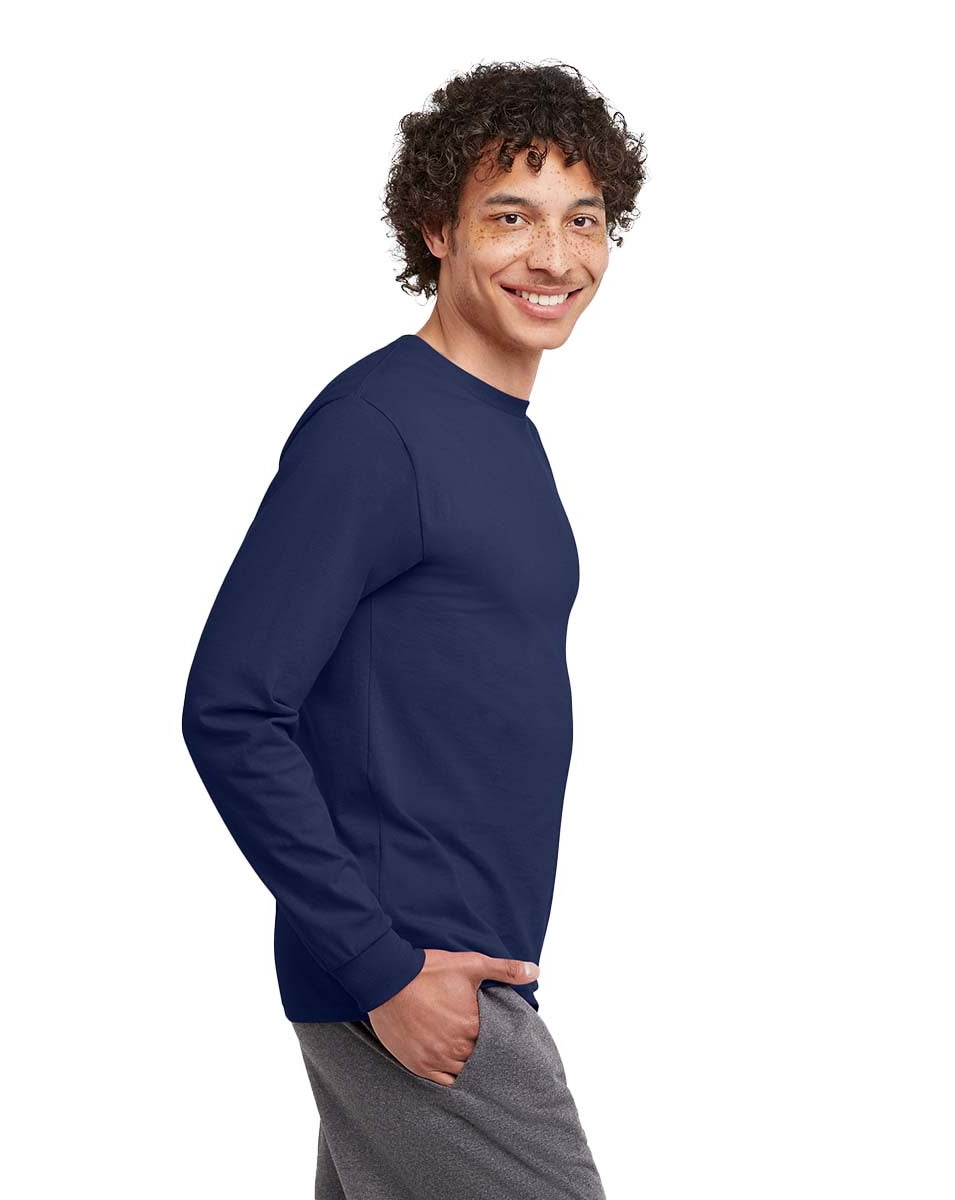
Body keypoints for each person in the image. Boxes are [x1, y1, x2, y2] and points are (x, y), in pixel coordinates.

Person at [181, 60, 647, 1199]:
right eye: (511, 217)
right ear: (437, 229)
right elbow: (233, 708)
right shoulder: (377, 429)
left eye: (583, 219)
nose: (555, 256)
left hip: (455, 968)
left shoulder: (498, 428)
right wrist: (380, 967)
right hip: (420, 974)